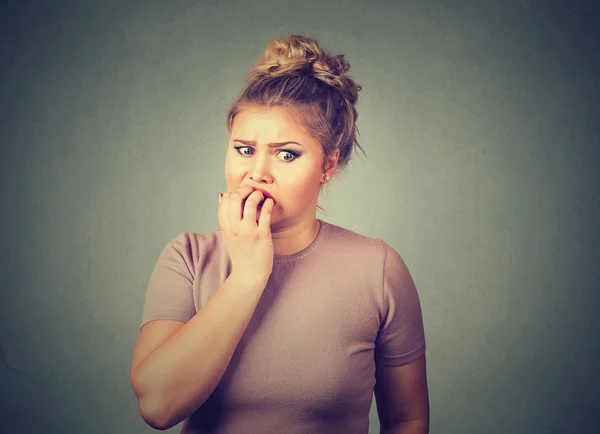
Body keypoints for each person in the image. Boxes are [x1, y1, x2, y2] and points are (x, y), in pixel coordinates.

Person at [130, 34, 429, 434]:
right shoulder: (187, 258)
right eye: (244, 149)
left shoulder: (377, 269)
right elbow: (158, 406)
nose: (257, 172)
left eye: (286, 154)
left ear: (329, 164)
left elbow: (407, 419)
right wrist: (249, 275)